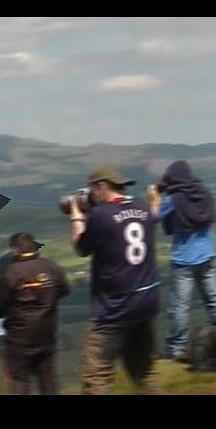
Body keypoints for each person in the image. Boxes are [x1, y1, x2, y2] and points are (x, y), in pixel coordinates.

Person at [69, 166, 159, 394]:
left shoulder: (101, 216)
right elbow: (151, 217)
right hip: (145, 302)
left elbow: (81, 248)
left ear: (101, 187)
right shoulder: (142, 208)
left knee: (96, 377)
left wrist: (77, 216)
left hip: (114, 309)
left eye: (92, 190)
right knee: (144, 372)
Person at [147, 160, 216, 362]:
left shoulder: (174, 199)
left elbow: (153, 219)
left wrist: (154, 198)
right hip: (207, 255)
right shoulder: (205, 193)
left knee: (180, 305)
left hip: (183, 259)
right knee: (215, 299)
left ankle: (177, 346)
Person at [0, 232, 70, 395]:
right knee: (48, 380)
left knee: (20, 380)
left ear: (14, 250)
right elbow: (65, 290)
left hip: (19, 338)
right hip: (47, 334)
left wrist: (7, 313)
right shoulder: (51, 267)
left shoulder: (11, 273)